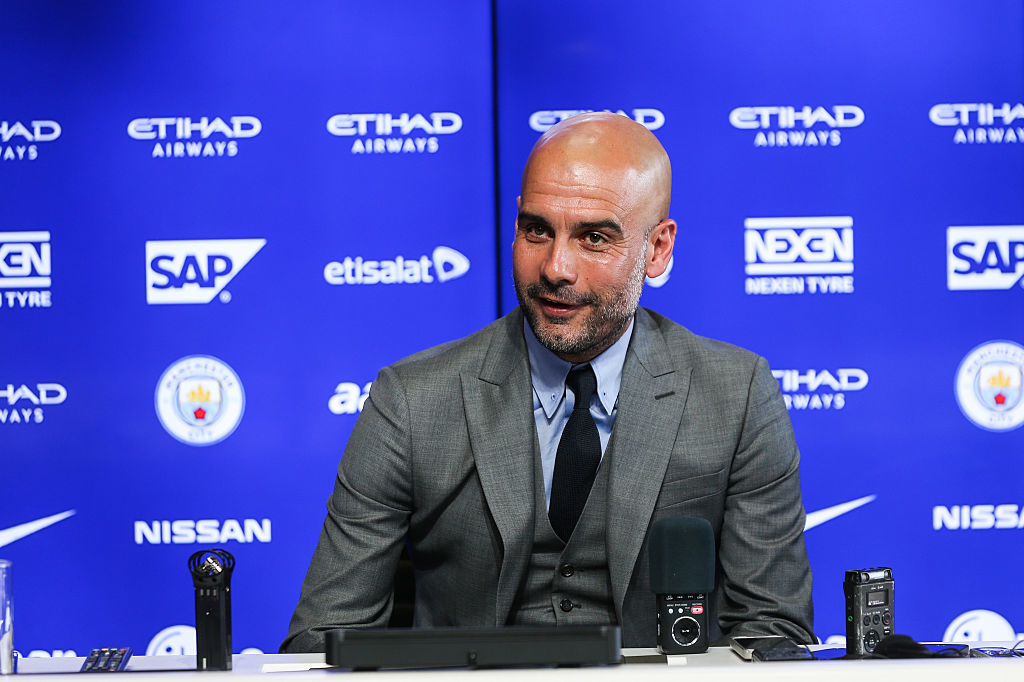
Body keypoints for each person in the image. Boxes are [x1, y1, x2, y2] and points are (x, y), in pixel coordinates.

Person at [281, 112, 814, 651]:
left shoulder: (738, 394)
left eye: (594, 238)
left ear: (657, 249)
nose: (556, 267)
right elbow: (321, 641)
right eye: (537, 230)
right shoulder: (411, 401)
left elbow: (774, 633)